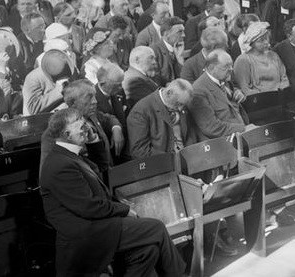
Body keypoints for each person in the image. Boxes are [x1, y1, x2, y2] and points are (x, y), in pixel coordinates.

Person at [40, 108, 186, 277]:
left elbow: (100, 170)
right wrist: (124, 210)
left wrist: (94, 140)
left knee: (147, 251)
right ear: (66, 133)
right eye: (80, 123)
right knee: (156, 228)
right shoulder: (60, 164)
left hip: (97, 225)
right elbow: (88, 207)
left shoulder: (68, 156)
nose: (86, 126)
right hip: (88, 232)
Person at [189, 50, 251, 140]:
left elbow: (229, 102)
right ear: (211, 68)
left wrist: (240, 93)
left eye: (231, 65)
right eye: (226, 66)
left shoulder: (223, 79)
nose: (231, 69)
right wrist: (244, 129)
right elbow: (212, 128)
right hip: (220, 143)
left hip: (239, 134)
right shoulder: (198, 91)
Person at [127, 79, 197, 158]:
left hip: (186, 157)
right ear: (169, 93)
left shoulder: (179, 101)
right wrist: (172, 160)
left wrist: (191, 153)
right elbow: (139, 151)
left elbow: (189, 134)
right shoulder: (141, 111)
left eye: (183, 105)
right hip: (163, 163)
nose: (180, 109)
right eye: (178, 104)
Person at [233, 21, 289, 94]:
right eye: (261, 41)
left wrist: (282, 91)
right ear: (252, 43)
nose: (266, 42)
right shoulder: (243, 60)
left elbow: (284, 78)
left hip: (280, 96)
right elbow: (244, 88)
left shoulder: (274, 55)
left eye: (267, 38)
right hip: (258, 100)